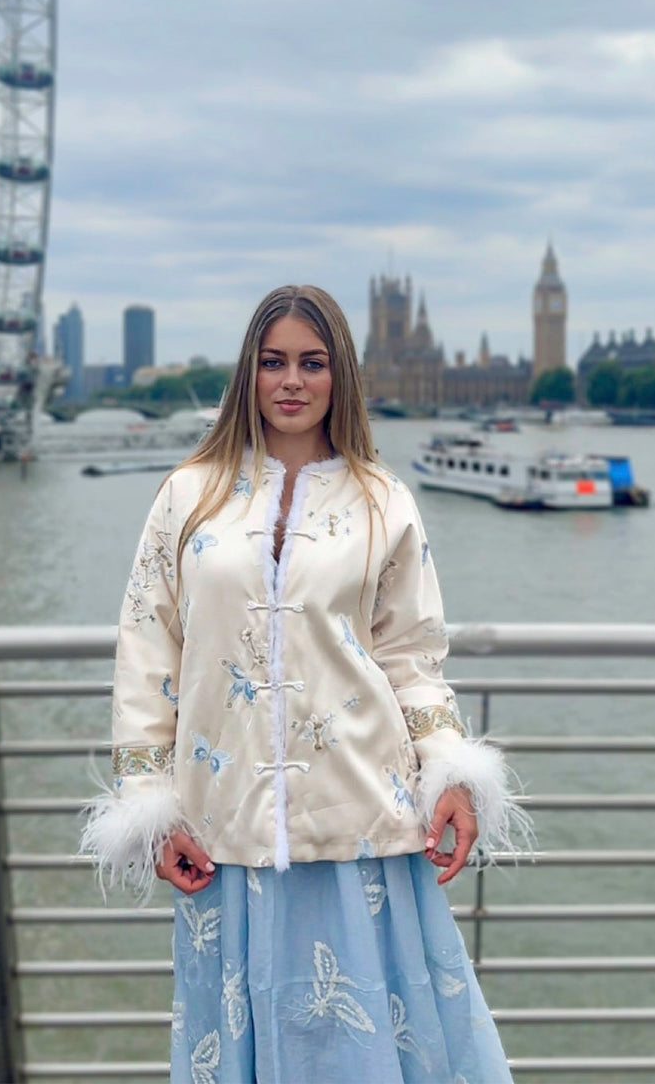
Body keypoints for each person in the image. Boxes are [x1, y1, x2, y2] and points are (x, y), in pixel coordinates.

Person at [81, 284, 533, 1083]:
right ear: (248, 375)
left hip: (363, 817)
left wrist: (450, 770)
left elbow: (411, 655)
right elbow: (149, 649)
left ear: (341, 374)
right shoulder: (188, 496)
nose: (292, 381)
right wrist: (148, 802)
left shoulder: (382, 500)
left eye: (312, 362)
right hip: (224, 827)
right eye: (274, 361)